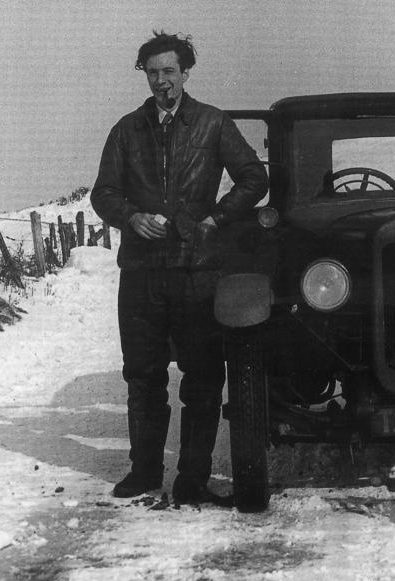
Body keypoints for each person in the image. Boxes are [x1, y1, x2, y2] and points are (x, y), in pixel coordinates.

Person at [91, 31, 268, 503]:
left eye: (170, 71)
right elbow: (103, 192)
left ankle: (192, 478)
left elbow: (255, 177)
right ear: (145, 76)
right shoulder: (126, 130)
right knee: (143, 377)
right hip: (143, 272)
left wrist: (217, 217)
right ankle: (145, 472)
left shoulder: (212, 123)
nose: (162, 82)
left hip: (197, 270)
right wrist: (131, 217)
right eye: (153, 73)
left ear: (186, 73)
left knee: (203, 377)